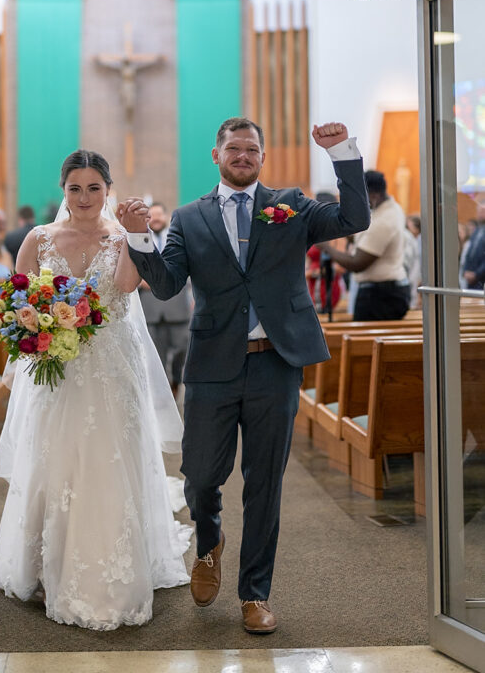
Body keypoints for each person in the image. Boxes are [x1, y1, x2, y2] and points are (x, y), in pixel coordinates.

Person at [119, 117, 369, 635]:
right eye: (233, 148)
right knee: (202, 476)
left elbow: (354, 218)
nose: (242, 155)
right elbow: (165, 287)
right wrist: (140, 237)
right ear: (216, 156)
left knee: (264, 484)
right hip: (213, 363)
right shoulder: (189, 218)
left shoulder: (292, 205)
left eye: (251, 148)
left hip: (275, 362)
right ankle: (208, 543)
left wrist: (341, 153)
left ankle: (255, 594)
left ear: (262, 155)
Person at [0, 149, 191, 630]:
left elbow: (124, 288)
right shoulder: (38, 239)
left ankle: (109, 566)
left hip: (111, 366)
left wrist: (135, 234)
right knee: (55, 457)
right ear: (63, 191)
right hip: (57, 366)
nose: (83, 197)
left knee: (108, 457)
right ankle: (40, 563)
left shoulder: (122, 238)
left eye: (94, 188)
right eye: (75, 188)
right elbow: (18, 300)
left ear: (107, 190)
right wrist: (35, 328)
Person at [324, 169, 411, 321]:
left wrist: (325, 247)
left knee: (366, 344)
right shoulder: (391, 208)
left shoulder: (385, 221)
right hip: (385, 291)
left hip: (381, 296)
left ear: (374, 195)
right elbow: (363, 240)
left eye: (362, 195)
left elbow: (357, 263)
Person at [139, 202, 192, 396]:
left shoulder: (178, 237)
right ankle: (161, 391)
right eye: (152, 216)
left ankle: (176, 380)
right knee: (155, 354)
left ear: (166, 217)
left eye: (159, 215)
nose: (156, 219)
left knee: (181, 348)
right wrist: (139, 283)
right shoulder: (140, 241)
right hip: (151, 308)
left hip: (177, 306)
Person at [461, 198, 485, 291]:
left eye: (483, 211)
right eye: (478, 211)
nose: (480, 214)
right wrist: (466, 271)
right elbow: (469, 253)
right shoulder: (477, 231)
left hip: (481, 280)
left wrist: (476, 274)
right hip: (470, 279)